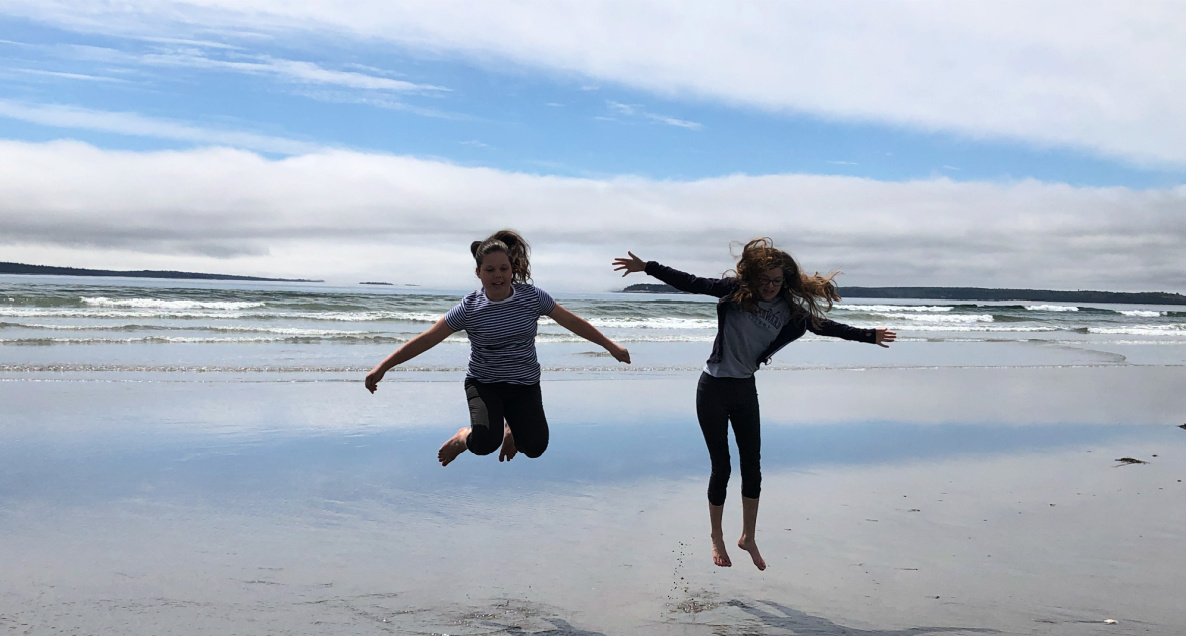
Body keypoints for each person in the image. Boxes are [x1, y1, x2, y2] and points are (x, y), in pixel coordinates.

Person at [613, 239, 896, 570]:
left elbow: (826, 327)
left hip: (745, 389)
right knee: (722, 467)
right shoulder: (734, 292)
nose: (772, 287)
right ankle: (717, 536)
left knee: (753, 466)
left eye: (778, 281)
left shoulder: (790, 312)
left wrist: (868, 335)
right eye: (766, 280)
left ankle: (748, 537)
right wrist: (648, 267)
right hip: (712, 389)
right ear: (753, 277)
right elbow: (691, 282)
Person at [367, 230, 630, 465]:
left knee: (536, 447)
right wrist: (383, 367)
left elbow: (572, 322)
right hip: (485, 384)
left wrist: (610, 345)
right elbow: (428, 338)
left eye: (503, 269)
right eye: (490, 270)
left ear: (512, 270)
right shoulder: (469, 308)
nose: (498, 276)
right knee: (484, 444)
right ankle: (462, 438)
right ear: (478, 272)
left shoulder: (533, 297)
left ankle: (511, 430)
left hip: (524, 385)